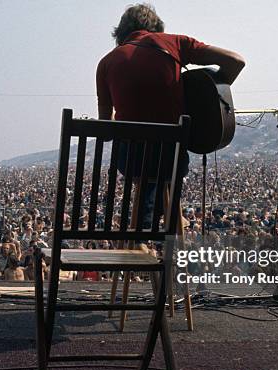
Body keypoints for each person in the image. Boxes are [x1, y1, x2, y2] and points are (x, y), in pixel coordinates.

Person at [96, 3, 245, 231]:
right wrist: (210, 96)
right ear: (157, 28)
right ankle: (161, 227)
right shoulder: (175, 43)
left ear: (121, 32)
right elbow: (236, 61)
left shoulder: (106, 63)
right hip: (171, 159)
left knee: (146, 170)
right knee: (164, 171)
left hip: (132, 162)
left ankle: (142, 231)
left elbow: (106, 131)